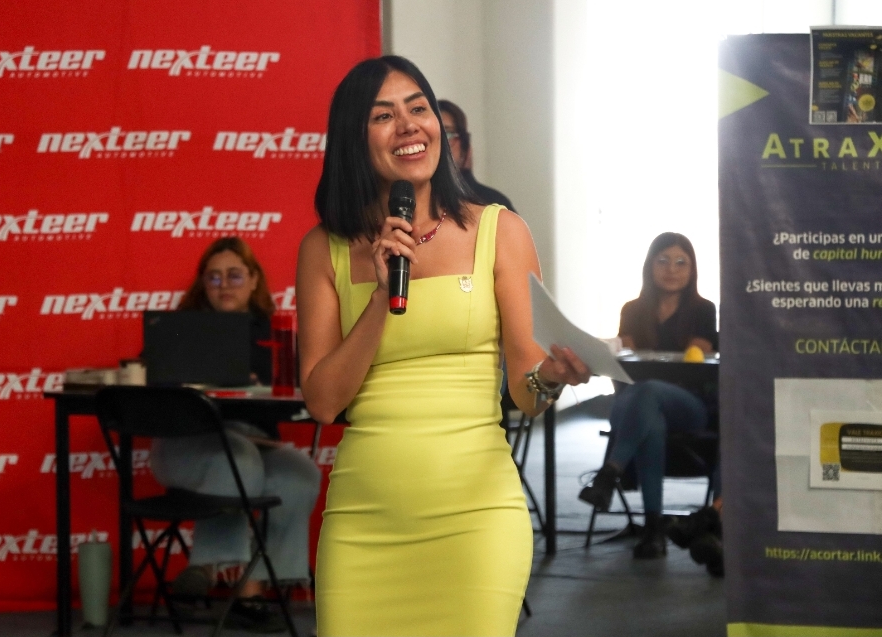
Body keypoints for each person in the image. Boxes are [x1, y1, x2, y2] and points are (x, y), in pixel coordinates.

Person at [295, 55, 590, 636]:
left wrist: (551, 377)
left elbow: (526, 394)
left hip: (476, 522)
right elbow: (324, 403)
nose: (409, 125)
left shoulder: (500, 231)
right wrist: (379, 300)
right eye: (384, 115)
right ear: (354, 138)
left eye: (419, 108)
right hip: (364, 526)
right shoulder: (322, 249)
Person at [147, 236, 322, 629]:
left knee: (299, 473)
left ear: (254, 280)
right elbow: (152, 392)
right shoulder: (178, 330)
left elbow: (293, 400)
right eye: (213, 277)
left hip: (254, 447)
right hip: (184, 449)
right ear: (202, 284)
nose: (224, 285)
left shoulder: (276, 336)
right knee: (238, 457)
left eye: (234, 275)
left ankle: (254, 586)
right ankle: (215, 573)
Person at [578, 232, 721, 564]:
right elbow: (625, 355)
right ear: (650, 266)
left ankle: (610, 472)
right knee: (649, 420)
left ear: (692, 269)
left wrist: (651, 367)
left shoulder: (703, 309)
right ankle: (653, 530)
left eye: (681, 262)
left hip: (689, 405)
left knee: (647, 391)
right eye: (663, 261)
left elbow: (696, 356)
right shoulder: (632, 309)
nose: (672, 269)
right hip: (640, 410)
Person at [438, 99, 516, 211]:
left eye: (447, 134)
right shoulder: (417, 201)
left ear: (465, 145)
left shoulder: (493, 204)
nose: (440, 143)